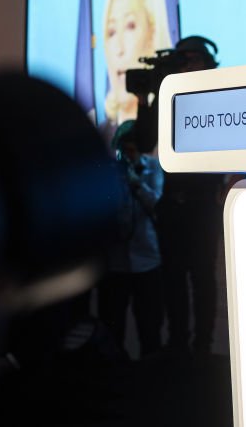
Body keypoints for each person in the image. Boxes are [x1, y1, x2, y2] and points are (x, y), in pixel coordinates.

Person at [154, 36, 227, 357]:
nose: (189, 65)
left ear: (209, 63)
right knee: (172, 276)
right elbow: (144, 141)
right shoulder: (167, 96)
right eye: (183, 60)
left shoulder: (221, 95)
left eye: (195, 59)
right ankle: (178, 342)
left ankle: (202, 346)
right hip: (170, 203)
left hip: (204, 203)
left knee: (202, 277)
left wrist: (234, 178)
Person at [97, 119, 165, 359]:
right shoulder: (111, 173)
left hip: (146, 259)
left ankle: (151, 368)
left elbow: (157, 204)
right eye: (123, 148)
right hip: (116, 263)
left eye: (132, 148)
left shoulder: (153, 169)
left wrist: (137, 185)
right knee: (112, 324)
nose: (128, 153)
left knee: (150, 323)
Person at [101, 0, 172, 141]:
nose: (119, 48)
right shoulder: (95, 140)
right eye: (111, 32)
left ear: (153, 33)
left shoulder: (175, 132)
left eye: (130, 26)